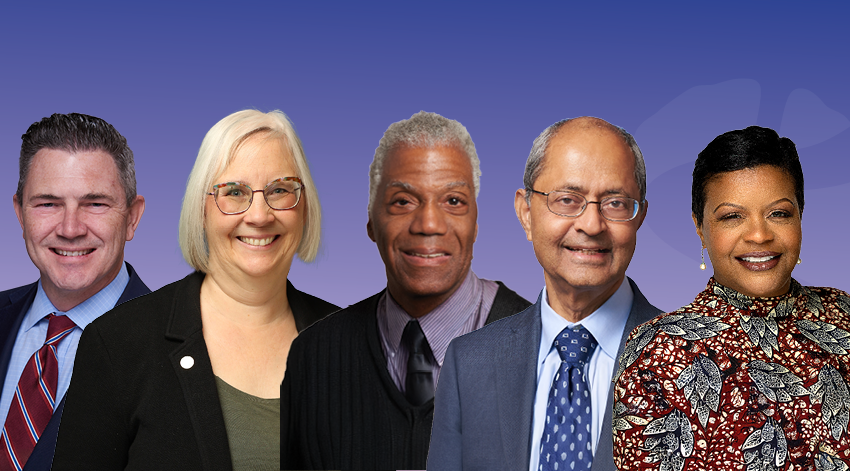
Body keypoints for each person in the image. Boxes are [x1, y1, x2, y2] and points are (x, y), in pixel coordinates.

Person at [52, 109, 338, 470]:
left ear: (305, 206)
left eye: (280, 190)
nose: (260, 215)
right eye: (234, 192)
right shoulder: (118, 345)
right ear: (201, 210)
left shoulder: (354, 343)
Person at [281, 111, 531, 470]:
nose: (429, 224)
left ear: (476, 222)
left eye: (453, 201)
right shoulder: (313, 357)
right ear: (371, 221)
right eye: (403, 201)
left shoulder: (545, 351)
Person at [428, 116, 663, 471]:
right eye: (568, 199)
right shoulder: (468, 364)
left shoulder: (698, 365)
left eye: (615, 203)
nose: (591, 224)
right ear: (526, 212)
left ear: (639, 217)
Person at [612, 126, 850, 470]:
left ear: (800, 215)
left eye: (779, 213)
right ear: (700, 227)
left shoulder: (842, 314)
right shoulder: (656, 352)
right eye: (732, 216)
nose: (758, 235)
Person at [0, 113, 149, 471]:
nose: (70, 229)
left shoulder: (180, 347)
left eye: (95, 204)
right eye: (48, 204)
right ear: (20, 213)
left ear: (131, 217)